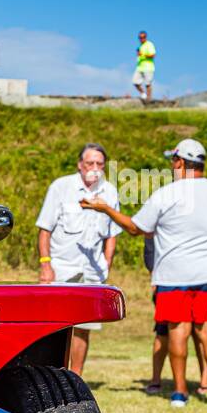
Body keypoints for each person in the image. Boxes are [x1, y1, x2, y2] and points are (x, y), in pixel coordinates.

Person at [81, 138, 207, 408]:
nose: (172, 166)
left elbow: (137, 227)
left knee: (178, 331)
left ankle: (180, 393)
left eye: (173, 161)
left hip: (175, 275)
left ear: (181, 162)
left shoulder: (167, 194)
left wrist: (105, 208)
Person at [35, 143, 121, 375]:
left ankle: (76, 377)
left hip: (92, 271)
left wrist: (107, 264)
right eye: (90, 163)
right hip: (61, 267)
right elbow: (45, 229)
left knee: (84, 327)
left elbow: (111, 234)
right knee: (55, 326)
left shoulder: (110, 191)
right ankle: (52, 376)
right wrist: (46, 264)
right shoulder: (61, 187)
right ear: (80, 165)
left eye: (100, 164)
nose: (94, 168)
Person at [144, 236, 207, 395]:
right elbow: (149, 247)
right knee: (163, 332)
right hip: (168, 283)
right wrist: (154, 275)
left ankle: (206, 382)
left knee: (200, 332)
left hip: (202, 280)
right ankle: (156, 380)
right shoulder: (162, 214)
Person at [133, 30, 156, 102]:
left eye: (143, 37)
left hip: (148, 67)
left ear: (146, 37)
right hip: (139, 67)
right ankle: (143, 94)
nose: (141, 39)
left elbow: (153, 55)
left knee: (148, 84)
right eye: (140, 37)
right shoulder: (140, 46)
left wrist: (143, 54)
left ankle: (148, 99)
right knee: (135, 82)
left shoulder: (149, 44)